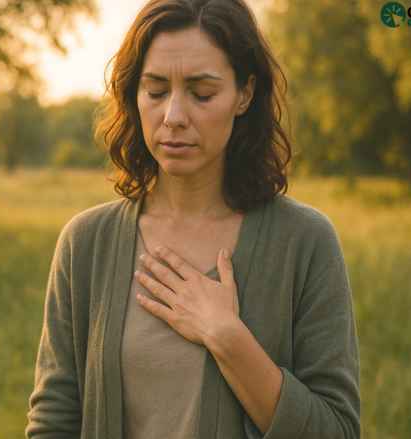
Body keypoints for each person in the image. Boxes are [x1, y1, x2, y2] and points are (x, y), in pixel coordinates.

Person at [26, 1, 359, 438]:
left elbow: (337, 431)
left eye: (202, 94)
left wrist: (227, 337)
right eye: (156, 91)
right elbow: (53, 422)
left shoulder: (305, 241)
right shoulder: (86, 243)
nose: (174, 117)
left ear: (244, 94)